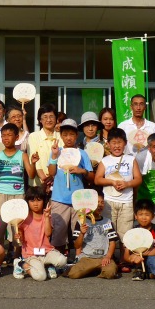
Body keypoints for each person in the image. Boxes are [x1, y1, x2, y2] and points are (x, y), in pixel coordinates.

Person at [94, 127, 142, 270]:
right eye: (113, 143)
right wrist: (112, 182)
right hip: (109, 202)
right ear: (108, 144)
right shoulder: (105, 161)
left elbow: (138, 179)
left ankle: (124, 259)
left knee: (125, 232)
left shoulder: (131, 159)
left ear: (125, 143)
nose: (116, 146)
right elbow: (97, 179)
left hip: (126, 202)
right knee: (109, 230)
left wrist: (127, 183)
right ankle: (109, 257)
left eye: (119, 142)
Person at [0, 123, 38, 249]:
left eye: (9, 135)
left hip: (18, 194)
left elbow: (31, 175)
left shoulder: (22, 155)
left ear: (16, 137)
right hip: (1, 194)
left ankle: (17, 257)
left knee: (17, 228)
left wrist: (33, 163)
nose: (6, 138)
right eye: (3, 135)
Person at [48, 119, 94, 253]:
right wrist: (54, 156)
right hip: (59, 198)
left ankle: (79, 257)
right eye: (65, 134)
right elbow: (51, 173)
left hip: (79, 199)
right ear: (61, 136)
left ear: (76, 136)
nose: (68, 138)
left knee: (79, 229)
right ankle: (59, 259)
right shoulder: (57, 151)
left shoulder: (82, 153)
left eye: (72, 135)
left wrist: (82, 171)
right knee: (58, 231)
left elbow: (92, 177)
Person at [13, 187, 68, 281]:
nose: (35, 204)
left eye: (39, 200)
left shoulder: (47, 215)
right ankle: (20, 264)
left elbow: (48, 233)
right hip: (31, 254)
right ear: (27, 202)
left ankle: (47, 265)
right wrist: (18, 236)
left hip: (47, 252)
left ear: (44, 201)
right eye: (32, 200)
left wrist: (46, 217)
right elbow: (20, 235)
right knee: (41, 277)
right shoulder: (24, 217)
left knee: (62, 261)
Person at [67, 192, 118, 279]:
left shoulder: (107, 222)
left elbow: (112, 242)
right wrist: (82, 234)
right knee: (73, 274)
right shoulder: (81, 222)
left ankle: (96, 270)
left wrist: (108, 256)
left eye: (102, 202)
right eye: (97, 202)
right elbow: (77, 245)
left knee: (110, 273)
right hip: (87, 258)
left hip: (103, 257)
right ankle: (92, 269)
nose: (100, 205)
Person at [124, 199, 155, 281]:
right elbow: (126, 254)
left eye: (147, 214)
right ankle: (139, 269)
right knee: (138, 260)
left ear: (153, 216)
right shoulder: (132, 232)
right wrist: (131, 258)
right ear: (135, 216)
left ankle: (147, 274)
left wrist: (142, 253)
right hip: (138, 261)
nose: (144, 218)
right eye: (140, 214)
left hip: (153, 258)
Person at [26, 103, 63, 189]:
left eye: (51, 116)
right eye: (45, 117)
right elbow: (35, 160)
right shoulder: (33, 136)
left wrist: (53, 179)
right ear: (40, 120)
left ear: (56, 119)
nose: (49, 120)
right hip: (38, 185)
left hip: (59, 183)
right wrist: (45, 180)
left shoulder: (61, 136)